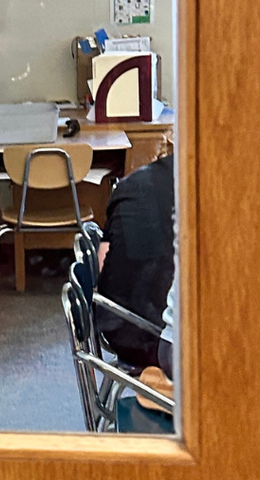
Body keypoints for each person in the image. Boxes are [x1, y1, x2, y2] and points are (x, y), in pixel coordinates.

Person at [96, 154, 175, 368]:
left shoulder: (132, 184)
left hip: (117, 323)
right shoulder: (208, 190)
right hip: (162, 343)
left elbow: (102, 262)